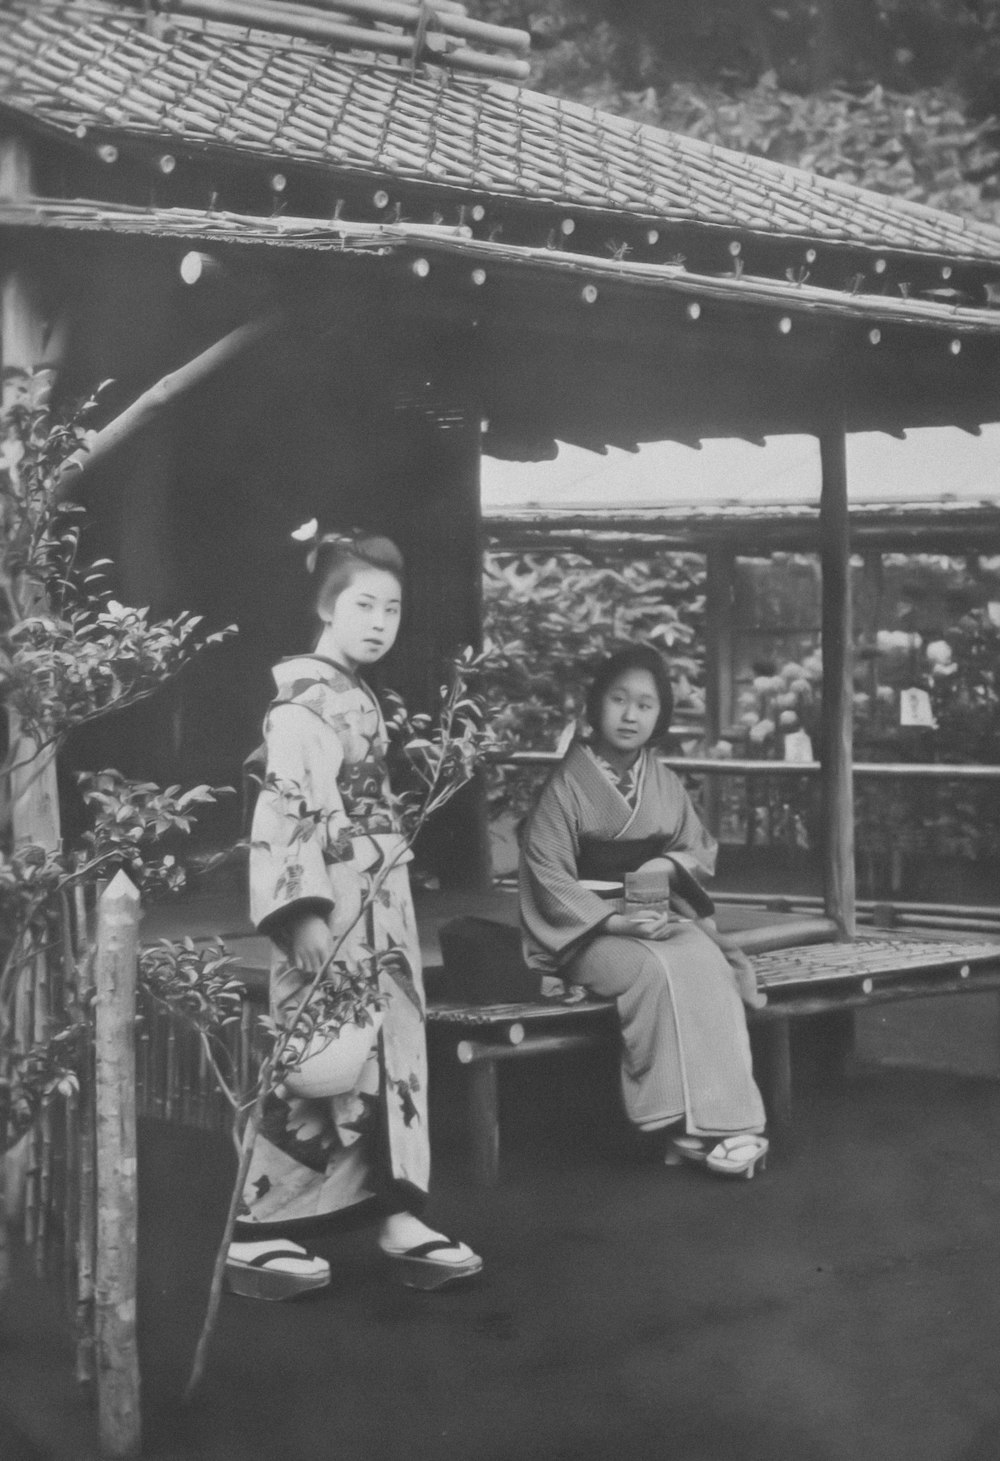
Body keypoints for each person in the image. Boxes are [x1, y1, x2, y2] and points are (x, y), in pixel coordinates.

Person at [226, 530, 482, 1299]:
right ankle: (257, 1230)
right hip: (329, 911)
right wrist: (299, 910)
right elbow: (287, 812)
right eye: (362, 604)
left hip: (379, 908)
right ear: (325, 607)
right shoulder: (304, 702)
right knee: (318, 1062)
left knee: (388, 1056)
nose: (379, 621)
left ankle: (399, 1210)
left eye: (392, 608)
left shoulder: (356, 692)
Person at [519, 645, 769, 1178]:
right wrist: (614, 921)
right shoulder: (565, 787)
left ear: (661, 714)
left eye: (646, 705)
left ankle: (730, 1121)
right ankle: (676, 1122)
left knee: (703, 958)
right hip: (586, 932)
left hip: (651, 911)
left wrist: (662, 865)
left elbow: (697, 849)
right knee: (653, 970)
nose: (631, 715)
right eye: (618, 700)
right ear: (596, 704)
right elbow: (548, 875)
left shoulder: (664, 782)